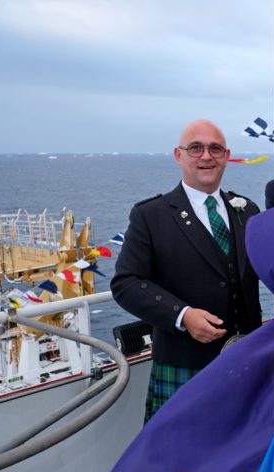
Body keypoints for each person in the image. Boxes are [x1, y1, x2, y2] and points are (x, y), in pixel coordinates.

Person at [111, 119, 262, 422]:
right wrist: (183, 315)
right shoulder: (150, 216)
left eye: (215, 149)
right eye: (196, 148)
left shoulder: (247, 210)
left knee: (242, 458)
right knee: (180, 463)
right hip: (184, 363)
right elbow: (126, 283)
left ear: (227, 156)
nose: (206, 156)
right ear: (179, 156)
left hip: (246, 361)